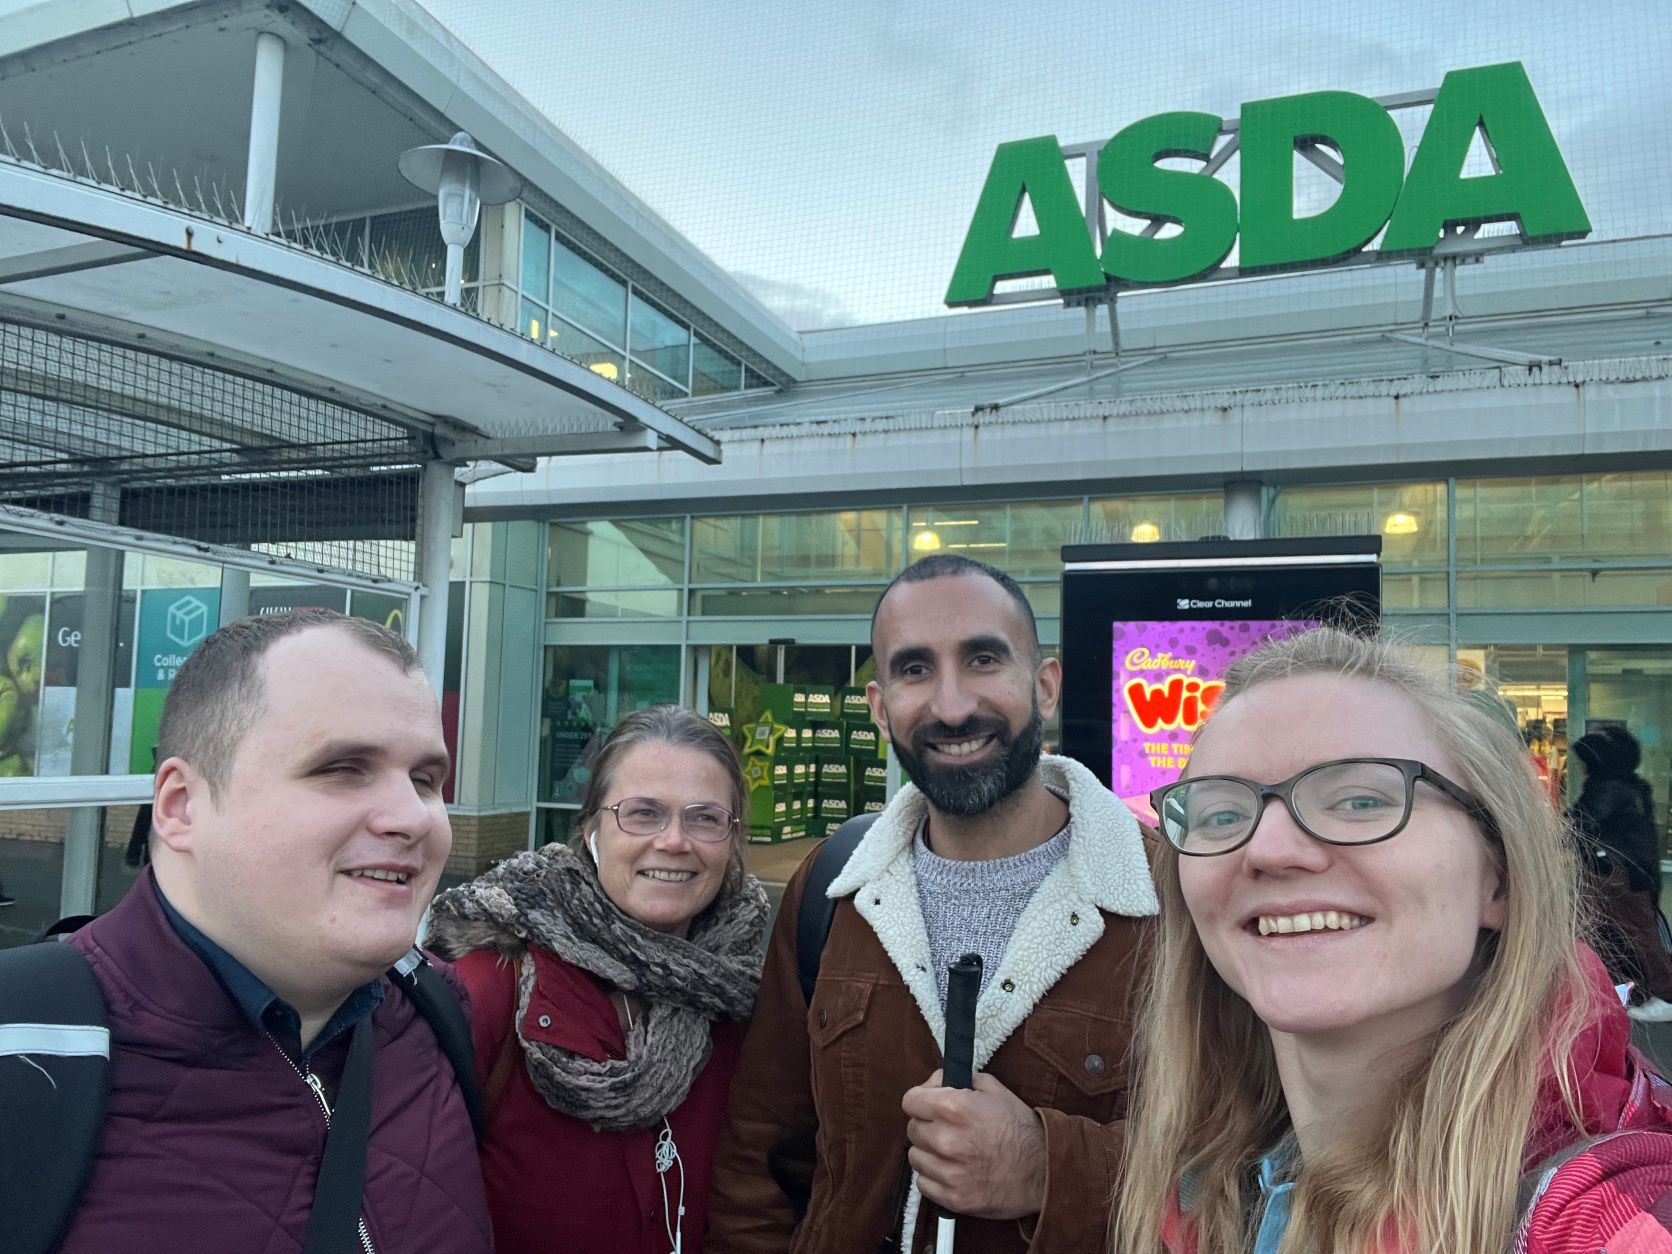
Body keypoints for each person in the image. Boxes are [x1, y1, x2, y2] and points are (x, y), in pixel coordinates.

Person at [1115, 626, 1672, 1254]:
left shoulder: (1613, 1214)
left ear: (1500, 879)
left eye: (1359, 800)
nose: (1266, 849)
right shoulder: (1212, 1187)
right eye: (1221, 814)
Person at [707, 553, 1159, 1254]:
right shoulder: (833, 892)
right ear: (881, 708)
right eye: (915, 669)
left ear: (1044, 687)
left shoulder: (1169, 904)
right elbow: (761, 1158)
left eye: (982, 659)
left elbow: (1247, 1157)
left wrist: (1051, 1171)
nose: (951, 706)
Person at [54, 609, 492, 1253]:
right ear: (180, 806)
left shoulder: (439, 1016)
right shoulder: (32, 1054)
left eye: (426, 779)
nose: (414, 817)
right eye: (343, 768)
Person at [427, 704, 768, 1254]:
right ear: (591, 832)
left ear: (732, 840)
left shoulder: (749, 999)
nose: (675, 841)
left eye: (704, 817)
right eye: (642, 813)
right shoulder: (487, 988)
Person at [1569, 725, 1672, 1022]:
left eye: (1584, 759)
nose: (1580, 765)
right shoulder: (1632, 785)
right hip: (1633, 873)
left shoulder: (1607, 788)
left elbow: (1577, 824)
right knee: (1618, 936)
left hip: (1617, 876)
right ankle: (1631, 993)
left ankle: (1665, 993)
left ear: (1598, 760)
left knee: (1636, 935)